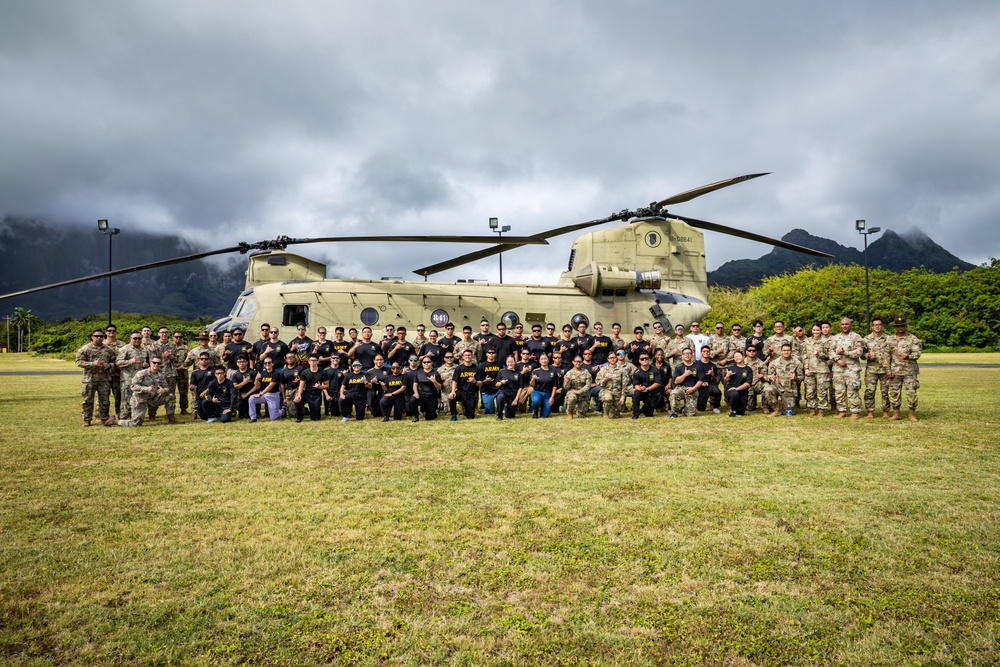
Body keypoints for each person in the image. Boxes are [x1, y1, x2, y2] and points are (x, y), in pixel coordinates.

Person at [76, 329, 116, 427]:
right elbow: (78, 362)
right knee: (87, 400)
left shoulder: (108, 349)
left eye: (101, 336)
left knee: (105, 400)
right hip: (89, 379)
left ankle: (104, 418)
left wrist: (109, 365)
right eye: (96, 336)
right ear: (92, 337)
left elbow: (114, 362)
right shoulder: (85, 349)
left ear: (103, 337)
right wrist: (92, 364)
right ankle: (86, 419)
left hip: (104, 379)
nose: (99, 338)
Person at [886, 315, 922, 421]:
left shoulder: (913, 339)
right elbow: (886, 355)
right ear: (895, 327)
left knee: (911, 392)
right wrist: (887, 369)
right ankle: (896, 414)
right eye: (898, 326)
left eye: (902, 326)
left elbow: (917, 353)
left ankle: (911, 414)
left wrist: (909, 356)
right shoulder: (890, 339)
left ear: (906, 326)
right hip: (894, 371)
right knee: (894, 392)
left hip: (909, 370)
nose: (900, 328)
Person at [117, 356, 171, 427]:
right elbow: (133, 386)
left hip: (153, 399)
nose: (156, 364)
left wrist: (163, 390)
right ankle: (117, 422)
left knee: (170, 397)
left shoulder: (161, 376)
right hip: (140, 399)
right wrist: (146, 389)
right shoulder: (142, 373)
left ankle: (171, 418)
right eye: (154, 362)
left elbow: (167, 388)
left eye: (159, 363)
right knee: (136, 424)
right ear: (150, 363)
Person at [829, 317, 864, 419]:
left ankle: (855, 411)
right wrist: (838, 359)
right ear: (840, 325)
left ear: (850, 325)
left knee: (853, 390)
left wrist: (845, 353)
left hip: (851, 369)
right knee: (839, 391)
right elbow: (830, 351)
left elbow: (859, 352)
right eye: (843, 324)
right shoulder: (835, 338)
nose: (845, 326)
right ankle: (842, 410)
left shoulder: (856, 337)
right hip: (838, 368)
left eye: (847, 324)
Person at [116, 332, 149, 424]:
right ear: (130, 338)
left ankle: (134, 416)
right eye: (135, 338)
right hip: (127, 379)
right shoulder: (124, 349)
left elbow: (147, 364)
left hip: (139, 380)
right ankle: (124, 417)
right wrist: (131, 361)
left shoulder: (144, 350)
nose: (137, 340)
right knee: (126, 399)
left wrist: (146, 365)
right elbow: (118, 363)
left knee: (137, 398)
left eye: (139, 338)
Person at [149, 326, 179, 424]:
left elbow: (177, 361)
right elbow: (152, 360)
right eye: (162, 332)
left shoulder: (173, 345)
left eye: (166, 332)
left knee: (170, 394)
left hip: (170, 373)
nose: (164, 334)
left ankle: (170, 415)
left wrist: (171, 357)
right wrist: (162, 359)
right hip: (157, 374)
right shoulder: (154, 345)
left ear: (168, 334)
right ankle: (152, 415)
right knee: (154, 394)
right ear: (158, 334)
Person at [863, 317, 891, 418]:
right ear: (872, 327)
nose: (877, 326)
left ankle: (885, 411)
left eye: (879, 324)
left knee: (885, 391)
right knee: (870, 391)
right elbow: (862, 354)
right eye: (875, 325)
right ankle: (870, 411)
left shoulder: (888, 338)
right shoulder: (866, 339)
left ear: (882, 326)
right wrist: (868, 355)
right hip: (871, 369)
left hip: (885, 369)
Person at [801, 324, 831, 417]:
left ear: (821, 331)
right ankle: (812, 409)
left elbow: (829, 356)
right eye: (814, 330)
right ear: (811, 330)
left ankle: (821, 409)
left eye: (818, 330)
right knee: (810, 391)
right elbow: (804, 356)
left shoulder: (825, 341)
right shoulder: (807, 341)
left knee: (821, 391)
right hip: (810, 370)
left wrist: (819, 354)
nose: (816, 332)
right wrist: (806, 368)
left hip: (822, 370)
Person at [769, 343, 803, 416]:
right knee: (768, 389)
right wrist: (771, 377)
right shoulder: (775, 362)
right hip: (777, 386)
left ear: (791, 351)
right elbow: (768, 375)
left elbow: (801, 378)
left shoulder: (797, 363)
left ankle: (782, 404)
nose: (786, 352)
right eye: (784, 350)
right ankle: (776, 409)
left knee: (789, 413)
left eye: (788, 350)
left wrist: (795, 378)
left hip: (789, 389)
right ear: (781, 351)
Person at [744, 346, 778, 414]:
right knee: (749, 408)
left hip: (758, 384)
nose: (751, 352)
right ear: (746, 352)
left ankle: (766, 405)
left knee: (768, 388)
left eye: (753, 350)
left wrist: (762, 377)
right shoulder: (742, 363)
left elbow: (765, 376)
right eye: (749, 350)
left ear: (756, 352)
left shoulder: (761, 363)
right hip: (746, 385)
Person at [294, 354, 327, 422]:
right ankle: (299, 417)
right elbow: (301, 385)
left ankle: (313, 412)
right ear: (308, 361)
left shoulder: (323, 373)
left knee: (315, 418)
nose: (313, 362)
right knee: (297, 401)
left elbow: (327, 385)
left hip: (316, 395)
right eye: (311, 360)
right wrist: (299, 395)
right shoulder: (304, 372)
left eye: (315, 361)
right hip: (307, 393)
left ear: (318, 361)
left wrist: (319, 387)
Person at [595, 352, 628, 418]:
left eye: (614, 358)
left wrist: (623, 396)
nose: (612, 359)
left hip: (617, 393)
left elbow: (625, 384)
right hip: (606, 390)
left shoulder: (622, 370)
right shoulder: (603, 370)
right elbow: (598, 382)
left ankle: (611, 411)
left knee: (615, 415)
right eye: (610, 358)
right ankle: (605, 414)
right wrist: (605, 379)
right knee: (608, 398)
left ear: (616, 358)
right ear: (608, 359)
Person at [669, 348, 700, 418]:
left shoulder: (697, 366)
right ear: (682, 356)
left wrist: (693, 389)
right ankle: (674, 412)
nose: (687, 355)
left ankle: (684, 410)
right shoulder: (679, 367)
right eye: (685, 353)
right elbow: (676, 381)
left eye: (689, 353)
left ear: (692, 355)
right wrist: (685, 374)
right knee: (673, 393)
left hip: (692, 388)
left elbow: (700, 381)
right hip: (680, 388)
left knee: (690, 414)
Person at [450, 349, 480, 420]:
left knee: (470, 417)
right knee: (451, 397)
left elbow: (480, 383)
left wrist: (474, 381)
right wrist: (453, 391)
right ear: (463, 357)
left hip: (471, 393)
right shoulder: (459, 368)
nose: (467, 357)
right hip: (461, 391)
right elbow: (454, 380)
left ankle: (467, 410)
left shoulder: (477, 368)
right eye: (466, 355)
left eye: (469, 355)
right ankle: (453, 415)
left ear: (472, 356)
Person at [411, 357, 443, 422]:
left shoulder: (435, 373)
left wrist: (434, 381)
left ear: (431, 363)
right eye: (424, 362)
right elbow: (415, 384)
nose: (426, 364)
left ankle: (434, 412)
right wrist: (416, 393)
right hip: (421, 395)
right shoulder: (418, 373)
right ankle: (415, 416)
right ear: (422, 364)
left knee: (429, 418)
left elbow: (439, 387)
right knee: (412, 400)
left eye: (428, 362)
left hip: (432, 397)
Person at [104, 324, 125, 420]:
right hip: (104, 375)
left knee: (119, 397)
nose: (111, 332)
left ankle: (121, 415)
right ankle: (102, 416)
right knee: (103, 397)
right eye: (109, 331)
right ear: (106, 332)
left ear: (116, 332)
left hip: (118, 375)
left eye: (113, 331)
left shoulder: (122, 344)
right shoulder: (101, 343)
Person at [529, 353, 559, 418]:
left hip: (547, 394)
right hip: (537, 392)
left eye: (545, 359)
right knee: (535, 401)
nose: (544, 360)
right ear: (539, 361)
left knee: (545, 416)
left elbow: (555, 385)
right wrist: (533, 379)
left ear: (548, 360)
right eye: (542, 359)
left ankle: (544, 406)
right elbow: (532, 385)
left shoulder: (553, 372)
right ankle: (535, 411)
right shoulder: (535, 371)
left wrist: (552, 397)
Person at [631, 353, 660, 419]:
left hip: (651, 392)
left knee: (649, 414)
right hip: (641, 392)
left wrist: (647, 389)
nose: (644, 360)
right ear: (639, 361)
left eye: (646, 358)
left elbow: (657, 383)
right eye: (642, 359)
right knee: (636, 394)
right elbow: (636, 385)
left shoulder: (654, 370)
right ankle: (635, 413)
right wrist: (640, 388)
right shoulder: (637, 372)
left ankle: (644, 409)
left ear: (649, 360)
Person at [724, 351, 753, 417]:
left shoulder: (748, 369)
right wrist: (727, 375)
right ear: (734, 359)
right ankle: (732, 411)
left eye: (739, 356)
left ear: (743, 357)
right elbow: (726, 380)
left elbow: (748, 383)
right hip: (731, 390)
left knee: (740, 413)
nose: (737, 358)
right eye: (735, 357)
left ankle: (737, 409)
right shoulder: (731, 368)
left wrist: (737, 388)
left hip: (742, 392)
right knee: (734, 394)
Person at [189, 353, 217, 420]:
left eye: (206, 359)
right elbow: (192, 385)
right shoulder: (195, 372)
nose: (204, 360)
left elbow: (215, 384)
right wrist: (191, 387)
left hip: (212, 395)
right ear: (199, 360)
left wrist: (205, 392)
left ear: (209, 360)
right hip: (200, 397)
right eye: (202, 359)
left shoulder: (214, 371)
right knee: (203, 417)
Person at [694, 345, 722, 413]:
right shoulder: (696, 364)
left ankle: (716, 407)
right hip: (699, 387)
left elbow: (714, 380)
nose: (706, 353)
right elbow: (693, 377)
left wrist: (712, 375)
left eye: (707, 351)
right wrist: (700, 383)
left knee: (717, 391)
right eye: (704, 351)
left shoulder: (713, 365)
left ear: (709, 353)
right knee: (701, 409)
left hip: (709, 386)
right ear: (701, 353)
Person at [495, 355, 523, 420]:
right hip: (503, 392)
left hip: (513, 394)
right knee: (500, 398)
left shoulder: (519, 374)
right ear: (506, 362)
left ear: (515, 362)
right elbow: (496, 384)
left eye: (512, 362)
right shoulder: (502, 371)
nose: (510, 363)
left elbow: (520, 388)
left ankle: (507, 409)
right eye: (508, 362)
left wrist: (516, 400)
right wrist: (502, 382)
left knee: (510, 416)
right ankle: (499, 415)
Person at [232, 355, 258, 420]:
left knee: (253, 398)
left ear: (247, 362)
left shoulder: (253, 372)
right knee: (243, 415)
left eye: (243, 361)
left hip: (252, 393)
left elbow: (257, 386)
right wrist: (244, 383)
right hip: (241, 395)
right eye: (239, 362)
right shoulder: (235, 374)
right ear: (237, 363)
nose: (241, 363)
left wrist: (247, 394)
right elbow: (235, 387)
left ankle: (257, 413)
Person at [477, 348, 503, 415]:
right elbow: (478, 380)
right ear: (486, 354)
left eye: (493, 353)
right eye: (489, 353)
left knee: (501, 408)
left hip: (498, 390)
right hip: (487, 390)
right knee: (490, 412)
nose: (491, 354)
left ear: (495, 354)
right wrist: (485, 380)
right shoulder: (482, 366)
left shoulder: (499, 365)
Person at [172, 331, 191, 415]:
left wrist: (183, 367)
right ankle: (170, 410)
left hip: (182, 373)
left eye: (180, 337)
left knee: (183, 392)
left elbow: (191, 360)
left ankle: (184, 409)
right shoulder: (169, 347)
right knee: (171, 392)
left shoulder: (185, 348)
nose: (178, 338)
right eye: (176, 337)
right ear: (173, 338)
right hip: (171, 373)